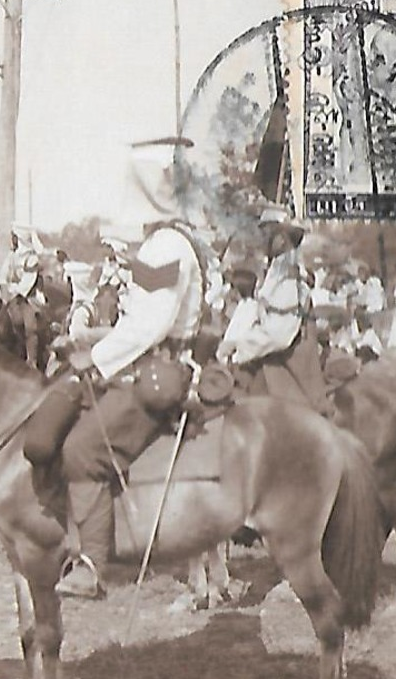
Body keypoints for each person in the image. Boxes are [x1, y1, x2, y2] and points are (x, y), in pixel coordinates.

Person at [56, 217, 205, 597]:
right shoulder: (161, 244)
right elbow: (140, 323)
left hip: (159, 374)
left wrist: (95, 357)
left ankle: (91, 565)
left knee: (83, 450)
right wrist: (90, 340)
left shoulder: (164, 247)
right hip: (148, 365)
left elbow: (151, 327)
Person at [216, 204, 329, 414]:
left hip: (286, 375)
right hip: (273, 367)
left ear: (282, 238)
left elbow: (278, 334)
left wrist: (238, 348)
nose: (262, 237)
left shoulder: (287, 277)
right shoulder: (277, 272)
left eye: (267, 231)